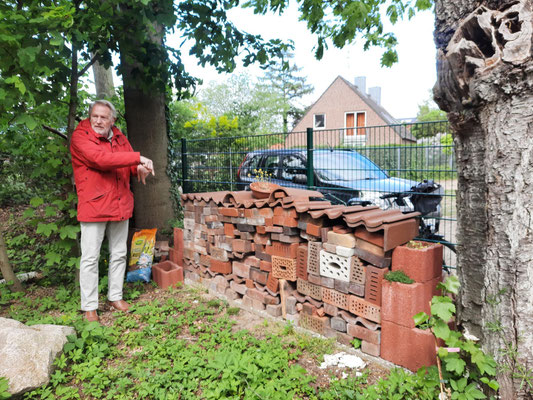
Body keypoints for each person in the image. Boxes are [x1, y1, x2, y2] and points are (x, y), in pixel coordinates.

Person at [70, 100, 154, 322]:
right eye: (94, 116)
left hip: (120, 202)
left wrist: (136, 168)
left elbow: (123, 162)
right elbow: (101, 159)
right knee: (90, 257)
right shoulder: (80, 137)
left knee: (119, 253)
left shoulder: (118, 136)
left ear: (112, 120)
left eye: (103, 117)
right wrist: (138, 157)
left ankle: (115, 296)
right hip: (94, 205)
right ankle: (89, 306)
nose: (98, 121)